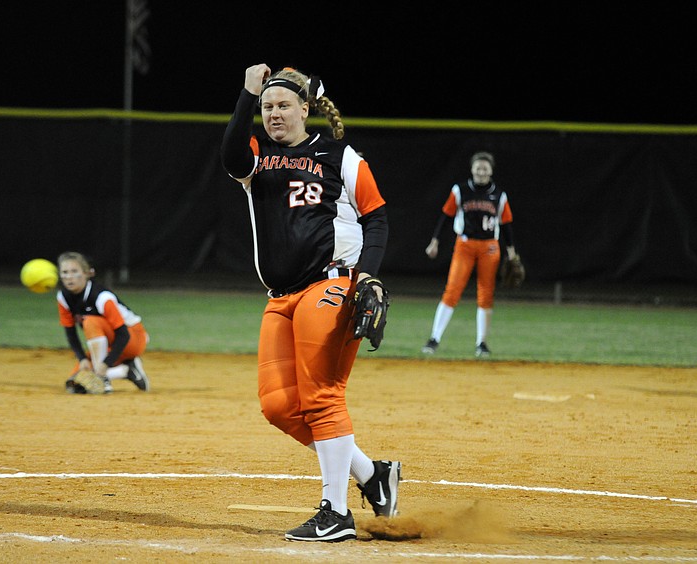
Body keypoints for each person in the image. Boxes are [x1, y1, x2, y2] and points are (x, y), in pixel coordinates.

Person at [220, 63, 401, 543]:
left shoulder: (340, 155)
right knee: (280, 405)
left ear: (305, 109)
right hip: (281, 297)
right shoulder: (257, 157)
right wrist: (246, 94)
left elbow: (377, 218)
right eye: (267, 108)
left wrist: (369, 279)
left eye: (283, 105)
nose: (275, 113)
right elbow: (230, 152)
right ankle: (372, 474)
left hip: (331, 285)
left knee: (321, 396)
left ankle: (335, 512)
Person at [421, 151, 517, 358]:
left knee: (485, 294)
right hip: (464, 245)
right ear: (472, 169)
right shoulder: (460, 190)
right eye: (478, 167)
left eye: (485, 168)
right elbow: (446, 216)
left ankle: (481, 343)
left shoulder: (499, 195)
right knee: (452, 290)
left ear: (491, 171)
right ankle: (434, 338)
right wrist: (435, 241)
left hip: (490, 247)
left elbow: (506, 224)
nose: (481, 171)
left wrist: (511, 251)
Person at [56, 251, 150, 393]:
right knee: (75, 384)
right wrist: (82, 359)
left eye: (74, 271)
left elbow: (123, 335)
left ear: (87, 273)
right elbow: (71, 334)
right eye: (65, 272)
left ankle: (102, 378)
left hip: (133, 338)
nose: (69, 277)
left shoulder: (102, 297)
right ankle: (126, 370)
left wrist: (105, 365)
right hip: (108, 343)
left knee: (91, 322)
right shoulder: (63, 297)